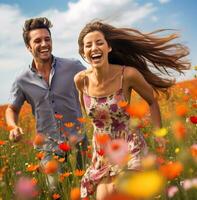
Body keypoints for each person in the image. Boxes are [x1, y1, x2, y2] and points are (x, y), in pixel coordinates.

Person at [74, 20, 190, 199]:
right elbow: (90, 115)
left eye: (99, 42)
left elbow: (152, 101)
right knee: (104, 197)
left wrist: (159, 134)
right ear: (83, 53)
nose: (94, 48)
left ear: (109, 47)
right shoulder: (81, 80)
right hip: (102, 149)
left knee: (123, 192)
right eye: (88, 45)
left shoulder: (127, 74)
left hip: (129, 142)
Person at [5, 17, 88, 170]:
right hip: (48, 149)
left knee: (86, 190)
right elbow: (12, 109)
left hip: (79, 144)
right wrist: (13, 127)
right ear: (28, 47)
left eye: (47, 39)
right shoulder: (22, 80)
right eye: (37, 41)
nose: (44, 44)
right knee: (55, 191)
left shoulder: (73, 66)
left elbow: (96, 79)